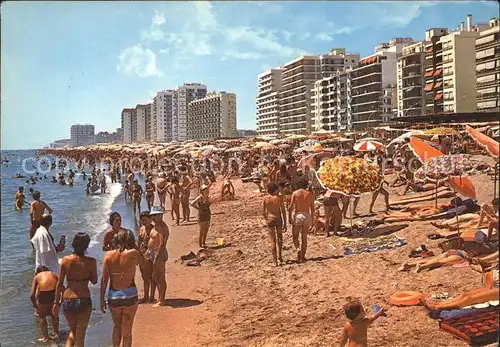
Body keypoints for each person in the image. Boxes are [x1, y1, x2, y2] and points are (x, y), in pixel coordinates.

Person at [100, 229, 145, 347]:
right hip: (130, 293)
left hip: (114, 295)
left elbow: (104, 280)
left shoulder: (108, 255)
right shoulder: (134, 253)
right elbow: (144, 265)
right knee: (127, 330)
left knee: (116, 327)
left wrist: (101, 299)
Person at [53, 233, 97, 347]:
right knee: (80, 336)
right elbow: (94, 280)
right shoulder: (91, 261)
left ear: (74, 244)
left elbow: (59, 284)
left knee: (73, 332)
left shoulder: (65, 260)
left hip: (68, 298)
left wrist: (56, 303)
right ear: (86, 246)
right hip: (83, 299)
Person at [146, 206, 170, 307]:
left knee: (160, 277)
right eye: (152, 216)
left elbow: (162, 243)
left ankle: (162, 300)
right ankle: (160, 297)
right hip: (153, 252)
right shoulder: (157, 226)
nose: (153, 218)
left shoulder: (160, 227)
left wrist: (156, 256)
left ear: (160, 215)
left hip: (158, 253)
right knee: (155, 276)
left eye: (155, 215)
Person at [31, 266, 60, 342]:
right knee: (54, 315)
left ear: (37, 272)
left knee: (42, 317)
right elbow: (61, 287)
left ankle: (46, 337)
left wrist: (35, 306)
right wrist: (60, 301)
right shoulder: (53, 274)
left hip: (43, 296)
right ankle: (56, 333)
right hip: (53, 293)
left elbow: (32, 295)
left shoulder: (37, 276)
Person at [289, 177, 314, 263]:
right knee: (304, 238)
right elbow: (313, 209)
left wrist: (289, 217)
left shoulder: (295, 193)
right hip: (307, 215)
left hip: (298, 215)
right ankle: (303, 257)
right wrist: (313, 221)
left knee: (295, 236)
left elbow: (291, 207)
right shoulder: (310, 194)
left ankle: (298, 249)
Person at [263, 183, 287, 266]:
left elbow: (263, 212)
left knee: (272, 240)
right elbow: (283, 211)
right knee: (280, 238)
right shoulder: (279, 198)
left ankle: (275, 261)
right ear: (276, 190)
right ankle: (280, 256)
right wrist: (285, 222)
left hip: (270, 218)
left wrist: (267, 220)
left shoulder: (265, 198)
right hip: (278, 218)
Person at [137, 211, 155, 303]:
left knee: (151, 276)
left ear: (150, 219)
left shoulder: (153, 229)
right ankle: (145, 296)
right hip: (142, 254)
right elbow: (139, 242)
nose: (144, 222)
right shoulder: (141, 229)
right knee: (144, 276)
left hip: (150, 254)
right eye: (142, 220)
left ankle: (151, 296)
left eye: (145, 220)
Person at [191, 184, 212, 249]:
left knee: (206, 230)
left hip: (208, 215)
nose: (207, 191)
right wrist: (198, 208)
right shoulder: (200, 197)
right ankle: (200, 245)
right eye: (205, 190)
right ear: (202, 191)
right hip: (201, 215)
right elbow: (192, 203)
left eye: (207, 190)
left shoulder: (208, 197)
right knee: (201, 231)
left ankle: (203, 243)